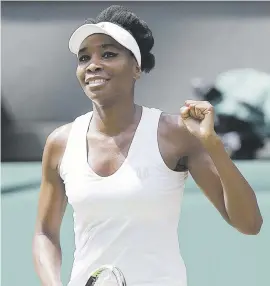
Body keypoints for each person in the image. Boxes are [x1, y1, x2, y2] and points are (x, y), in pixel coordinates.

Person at [32, 5, 263, 286]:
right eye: (84, 58)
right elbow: (44, 232)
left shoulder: (175, 134)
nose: (92, 64)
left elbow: (249, 223)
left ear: (137, 68)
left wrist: (212, 144)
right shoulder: (60, 143)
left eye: (108, 54)